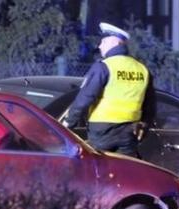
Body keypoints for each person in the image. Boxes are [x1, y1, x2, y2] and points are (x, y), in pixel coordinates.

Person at [65, 22, 155, 157]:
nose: (100, 46)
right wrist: (145, 126)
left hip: (102, 132)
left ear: (114, 42)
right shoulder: (142, 69)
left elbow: (85, 98)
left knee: (98, 172)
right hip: (129, 133)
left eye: (103, 42)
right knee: (124, 171)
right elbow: (150, 105)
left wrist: (68, 124)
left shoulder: (104, 66)